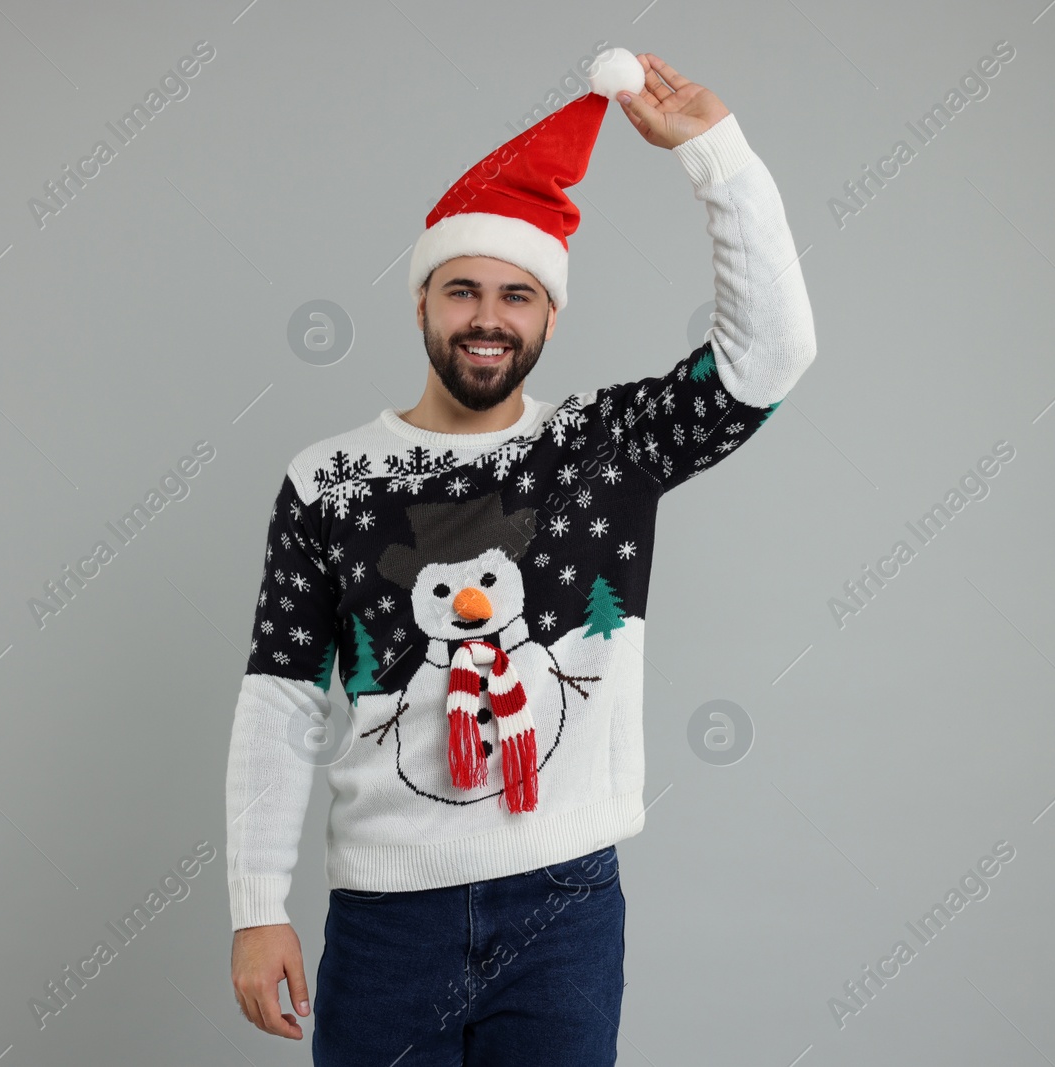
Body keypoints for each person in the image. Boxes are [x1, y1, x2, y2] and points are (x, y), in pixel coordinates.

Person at [226, 46, 817, 1065]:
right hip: (383, 911)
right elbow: (281, 691)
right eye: (461, 290)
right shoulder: (329, 477)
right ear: (420, 302)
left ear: (550, 313)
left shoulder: (604, 447)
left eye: (516, 294)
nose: (487, 319)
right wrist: (254, 903)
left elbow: (769, 355)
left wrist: (719, 158)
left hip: (563, 906)